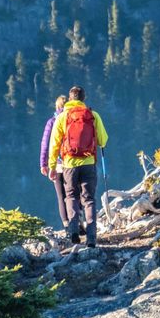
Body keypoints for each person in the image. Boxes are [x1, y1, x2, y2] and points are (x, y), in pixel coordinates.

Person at [47, 86, 108, 248]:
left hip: (69, 164)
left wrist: (51, 166)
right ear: (83, 98)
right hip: (89, 163)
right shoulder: (93, 115)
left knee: (71, 196)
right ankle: (91, 237)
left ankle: (73, 231)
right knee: (88, 199)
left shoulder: (62, 117)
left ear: (70, 98)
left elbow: (54, 144)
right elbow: (103, 140)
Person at [39, 95, 70, 229]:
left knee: (61, 196)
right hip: (72, 162)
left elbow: (45, 144)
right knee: (73, 194)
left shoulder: (51, 122)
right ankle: (78, 220)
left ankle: (66, 224)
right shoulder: (72, 121)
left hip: (56, 164)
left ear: (57, 107)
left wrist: (43, 164)